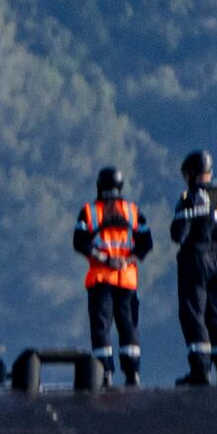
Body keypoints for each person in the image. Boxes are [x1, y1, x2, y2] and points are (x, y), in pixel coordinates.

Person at [164, 147, 217, 386]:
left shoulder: (191, 197)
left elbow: (178, 234)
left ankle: (200, 369)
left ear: (192, 174)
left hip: (197, 260)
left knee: (193, 313)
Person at [73, 164, 147, 386]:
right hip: (127, 279)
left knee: (101, 327)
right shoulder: (133, 211)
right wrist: (127, 260)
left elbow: (80, 242)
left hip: (100, 279)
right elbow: (146, 244)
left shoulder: (90, 211)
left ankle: (104, 373)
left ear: (99, 186)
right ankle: (132, 372)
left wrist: (105, 259)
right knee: (128, 327)